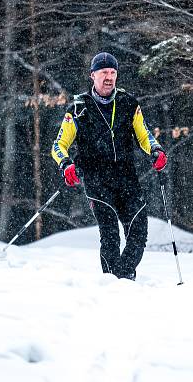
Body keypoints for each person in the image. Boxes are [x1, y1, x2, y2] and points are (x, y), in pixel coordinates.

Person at [51, 52, 167, 280]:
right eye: (104, 72)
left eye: (113, 72)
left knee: (138, 232)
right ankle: (113, 282)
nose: (109, 77)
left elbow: (145, 137)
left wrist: (156, 151)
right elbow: (59, 144)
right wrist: (66, 165)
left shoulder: (129, 103)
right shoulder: (78, 108)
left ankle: (120, 278)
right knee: (111, 234)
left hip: (127, 178)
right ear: (92, 75)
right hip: (97, 180)